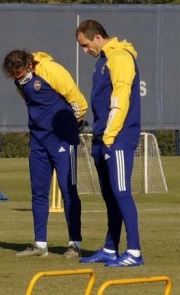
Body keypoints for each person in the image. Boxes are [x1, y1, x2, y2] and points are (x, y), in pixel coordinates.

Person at [1, 48, 87, 259]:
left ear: (29, 65)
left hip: (62, 139)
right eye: (14, 76)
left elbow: (78, 101)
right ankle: (40, 244)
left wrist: (69, 125)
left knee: (68, 190)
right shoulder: (19, 82)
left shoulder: (50, 69)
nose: (18, 79)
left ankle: (75, 244)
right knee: (38, 192)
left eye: (20, 74)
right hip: (38, 141)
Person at [76, 20, 145, 267]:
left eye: (85, 45)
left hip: (118, 138)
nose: (85, 51)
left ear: (97, 37)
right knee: (110, 195)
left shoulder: (121, 57)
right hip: (101, 136)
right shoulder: (102, 61)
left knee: (121, 192)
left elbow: (120, 100)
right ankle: (110, 248)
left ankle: (134, 251)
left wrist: (109, 137)